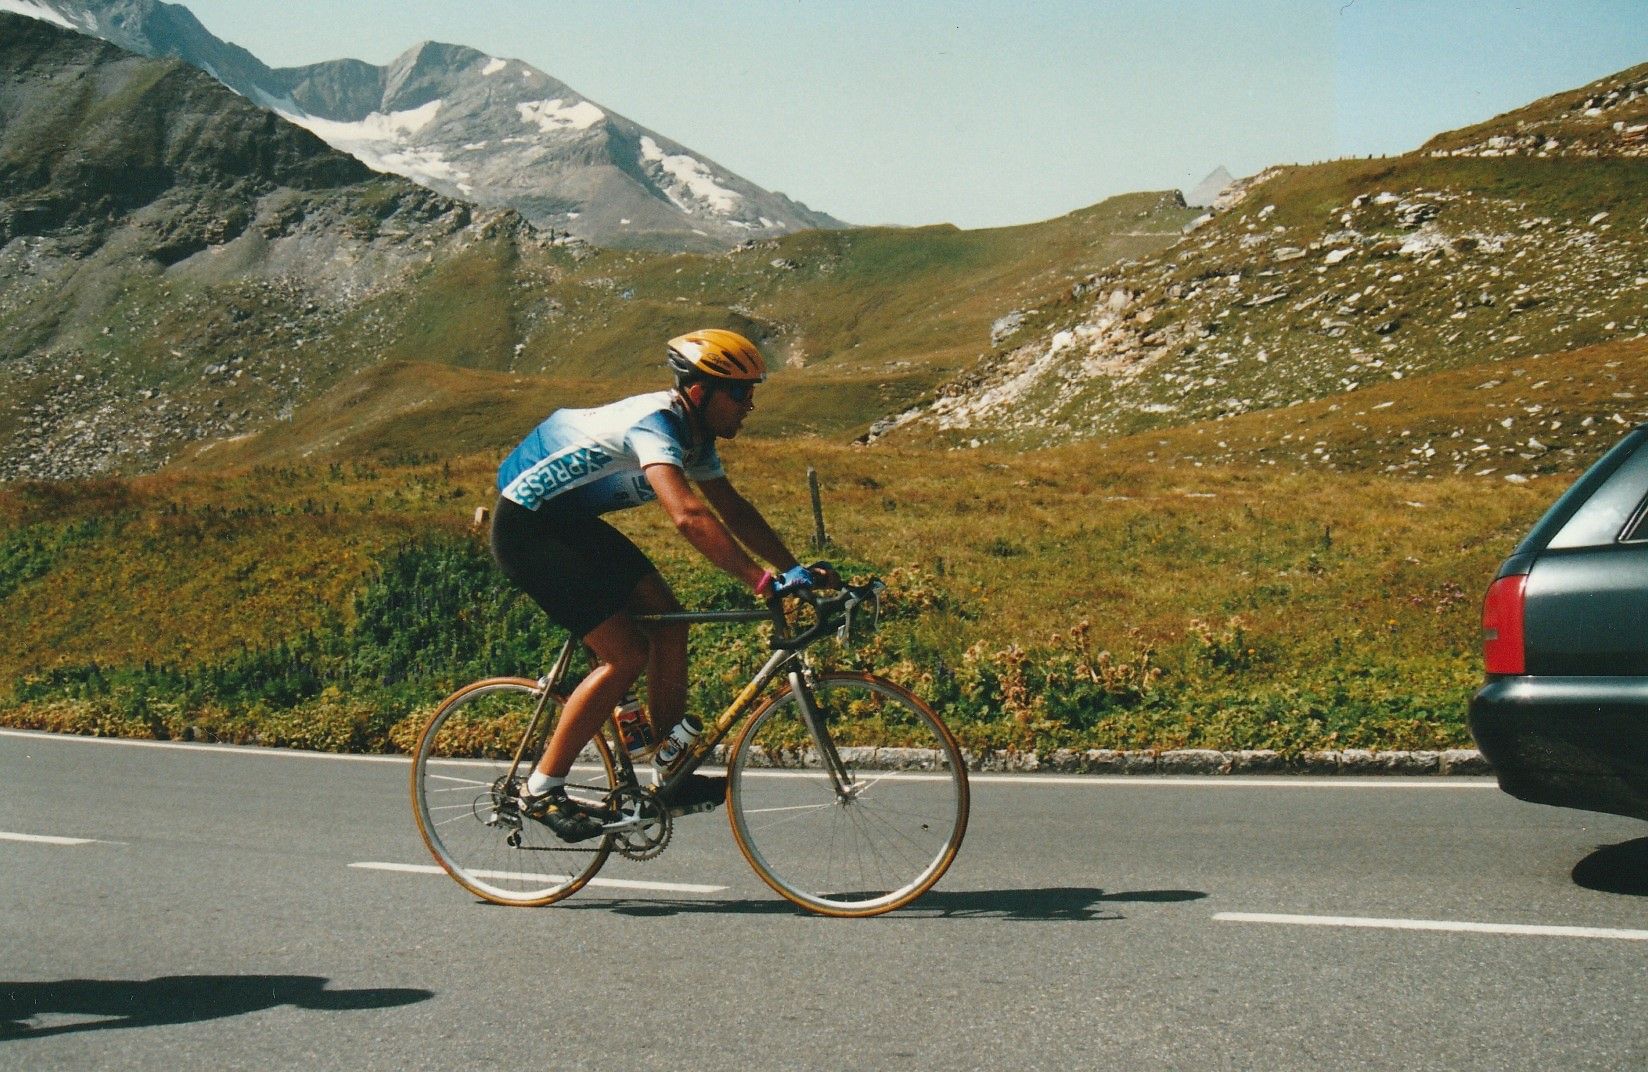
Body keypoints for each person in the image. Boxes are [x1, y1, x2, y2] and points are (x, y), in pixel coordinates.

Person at [489, 328, 836, 842]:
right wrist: (762, 581)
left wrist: (795, 569)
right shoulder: (655, 425)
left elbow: (732, 509)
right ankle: (541, 788)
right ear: (699, 393)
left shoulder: (695, 436)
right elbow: (689, 517)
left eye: (752, 394)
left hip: (570, 524)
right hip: (528, 528)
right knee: (624, 654)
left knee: (670, 624)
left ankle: (667, 771)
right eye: (740, 394)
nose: (749, 405)